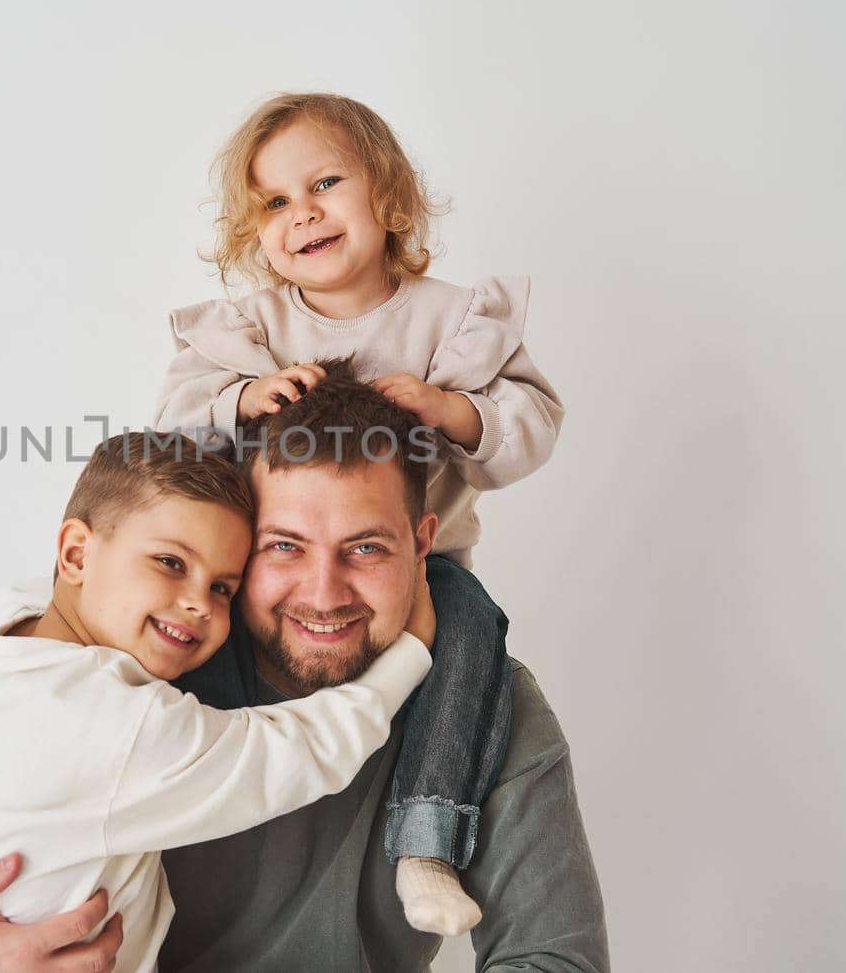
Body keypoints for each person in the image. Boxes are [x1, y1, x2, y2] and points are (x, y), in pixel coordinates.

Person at [0, 362, 608, 972]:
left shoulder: (481, 700)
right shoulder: (141, 668)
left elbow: (556, 958)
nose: (323, 593)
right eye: (284, 544)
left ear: (423, 544)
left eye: (367, 547)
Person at [154, 92, 565, 932]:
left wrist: (452, 409)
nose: (301, 214)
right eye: (274, 203)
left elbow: (532, 424)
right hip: (267, 573)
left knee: (472, 640)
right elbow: (171, 425)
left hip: (425, 570)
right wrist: (243, 396)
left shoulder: (453, 320)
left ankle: (426, 836)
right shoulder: (253, 330)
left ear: (386, 191)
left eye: (325, 184)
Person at [0, 432, 438, 973]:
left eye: (223, 586)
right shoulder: (115, 726)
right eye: (171, 563)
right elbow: (305, 750)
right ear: (75, 554)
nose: (197, 603)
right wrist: (412, 650)